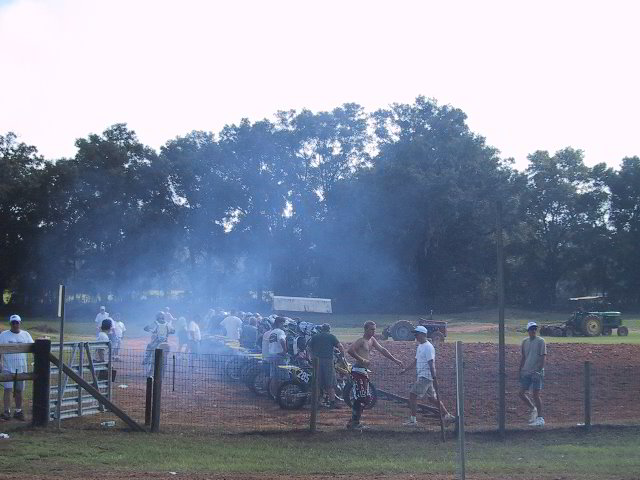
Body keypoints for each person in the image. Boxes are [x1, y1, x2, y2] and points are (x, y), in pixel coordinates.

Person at [346, 321, 403, 430]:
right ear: (366, 330)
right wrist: (362, 359)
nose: (373, 331)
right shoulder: (361, 341)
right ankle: (354, 422)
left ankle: (354, 421)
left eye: (374, 329)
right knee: (361, 397)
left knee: (366, 398)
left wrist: (396, 360)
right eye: (371, 329)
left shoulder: (372, 340)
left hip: (364, 371)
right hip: (358, 370)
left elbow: (383, 350)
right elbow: (350, 350)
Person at [401, 326, 455, 427]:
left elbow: (431, 363)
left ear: (423, 334)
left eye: (417, 334)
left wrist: (434, 378)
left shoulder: (428, 347)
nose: (415, 336)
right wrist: (405, 370)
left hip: (425, 377)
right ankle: (447, 415)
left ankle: (413, 421)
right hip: (424, 376)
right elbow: (416, 361)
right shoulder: (420, 346)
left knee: (412, 395)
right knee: (432, 399)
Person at [0, 315, 34, 421]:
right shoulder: (4, 335)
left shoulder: (26, 335)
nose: (15, 325)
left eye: (17, 322)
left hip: (21, 367)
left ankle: (18, 411)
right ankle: (7, 412)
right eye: (13, 323)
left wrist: (36, 360)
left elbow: (34, 348)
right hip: (7, 367)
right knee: (8, 389)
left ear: (20, 323)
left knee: (19, 390)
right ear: (10, 324)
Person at [308, 323, 345, 409]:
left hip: (316, 361)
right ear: (329, 329)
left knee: (317, 382)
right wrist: (342, 356)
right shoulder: (331, 336)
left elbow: (309, 348)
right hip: (328, 361)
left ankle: (316, 402)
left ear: (321, 329)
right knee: (330, 382)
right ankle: (332, 402)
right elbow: (340, 346)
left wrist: (311, 357)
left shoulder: (315, 336)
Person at [519, 321, 547, 427]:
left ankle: (540, 418)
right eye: (531, 329)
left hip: (536, 372)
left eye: (535, 329)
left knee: (536, 394)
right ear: (528, 331)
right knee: (521, 393)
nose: (534, 331)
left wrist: (539, 370)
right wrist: (520, 370)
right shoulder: (524, 342)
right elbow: (523, 357)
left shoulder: (541, 341)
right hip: (526, 371)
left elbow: (543, 357)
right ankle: (533, 409)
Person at [264, 316, 288, 398]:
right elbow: (282, 340)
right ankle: (282, 394)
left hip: (271, 354)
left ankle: (274, 394)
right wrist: (285, 351)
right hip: (279, 355)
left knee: (274, 376)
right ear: (280, 323)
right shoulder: (280, 331)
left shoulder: (272, 332)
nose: (284, 325)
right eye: (283, 323)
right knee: (284, 376)